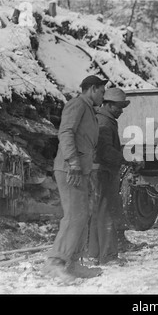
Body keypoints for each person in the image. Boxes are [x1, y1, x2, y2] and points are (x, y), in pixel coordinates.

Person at [41, 75, 108, 284]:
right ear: (91, 89)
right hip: (70, 169)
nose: (103, 97)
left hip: (80, 169)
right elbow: (66, 132)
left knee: (82, 214)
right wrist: (73, 162)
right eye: (102, 92)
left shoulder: (88, 109)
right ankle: (56, 262)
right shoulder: (77, 105)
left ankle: (73, 263)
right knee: (73, 216)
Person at [88, 88, 144, 265]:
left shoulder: (104, 119)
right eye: (119, 107)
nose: (121, 110)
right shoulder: (105, 122)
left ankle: (94, 253)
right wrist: (127, 159)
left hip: (98, 171)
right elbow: (105, 151)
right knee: (108, 212)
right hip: (104, 171)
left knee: (99, 212)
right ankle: (109, 256)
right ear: (109, 105)